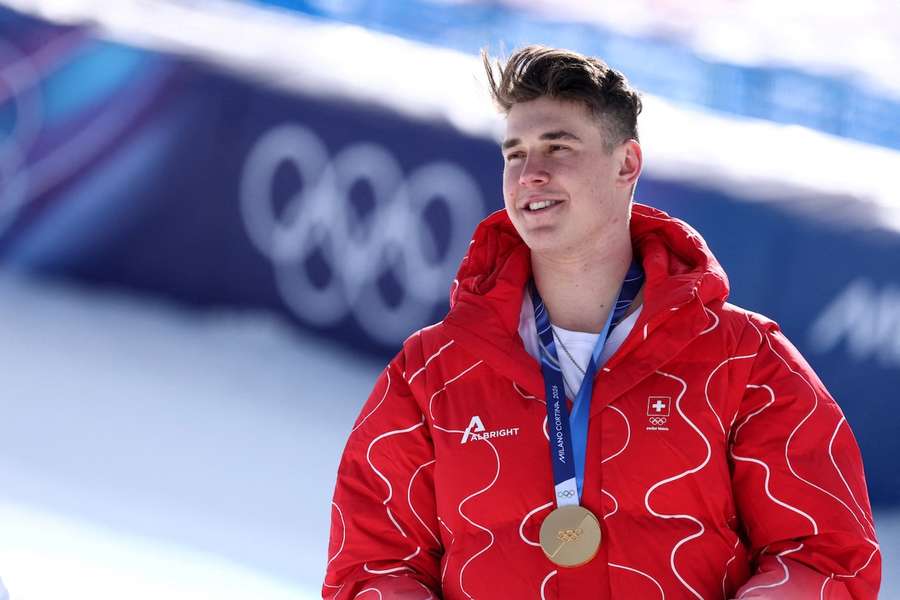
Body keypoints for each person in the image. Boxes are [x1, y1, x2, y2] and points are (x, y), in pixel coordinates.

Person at [323, 45, 881, 599]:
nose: (530, 174)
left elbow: (825, 557)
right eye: (514, 154)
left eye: (557, 147)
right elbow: (372, 568)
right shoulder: (431, 371)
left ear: (627, 164)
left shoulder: (743, 358)